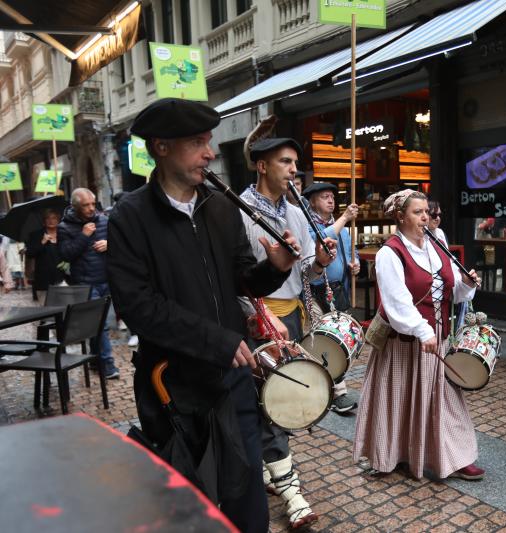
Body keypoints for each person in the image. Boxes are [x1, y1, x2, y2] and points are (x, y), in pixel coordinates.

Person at [106, 98, 299, 533]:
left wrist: (275, 267)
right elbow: (140, 309)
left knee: (247, 503)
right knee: (189, 508)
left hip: (232, 385)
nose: (210, 153)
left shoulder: (219, 207)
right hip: (173, 388)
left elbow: (241, 281)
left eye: (209, 142)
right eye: (197, 143)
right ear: (161, 147)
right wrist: (219, 341)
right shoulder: (129, 218)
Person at [238, 135, 338, 529]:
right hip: (257, 320)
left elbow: (307, 269)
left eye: (295, 162)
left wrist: (321, 262)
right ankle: (293, 493)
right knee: (273, 404)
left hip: (291, 318)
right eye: (284, 162)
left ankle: (271, 468)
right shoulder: (241, 212)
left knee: (281, 400)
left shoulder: (296, 213)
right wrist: (259, 313)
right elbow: (237, 277)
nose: (294, 169)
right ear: (261, 166)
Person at [353, 189, 484, 481]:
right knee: (399, 399)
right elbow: (395, 300)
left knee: (447, 398)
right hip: (405, 340)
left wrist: (466, 283)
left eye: (427, 211)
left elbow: (455, 292)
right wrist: (422, 330)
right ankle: (391, 455)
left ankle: (457, 457)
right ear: (400, 216)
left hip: (438, 335)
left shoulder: (438, 243)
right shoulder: (390, 252)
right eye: (417, 212)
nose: (425, 216)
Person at [302, 182, 361, 412]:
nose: (330, 200)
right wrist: (345, 217)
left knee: (338, 338)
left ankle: (322, 381)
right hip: (314, 291)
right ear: (313, 201)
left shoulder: (343, 230)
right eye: (324, 197)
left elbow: (351, 253)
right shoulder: (308, 225)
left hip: (337, 290)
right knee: (326, 338)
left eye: (332, 196)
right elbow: (322, 238)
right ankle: (339, 392)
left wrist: (355, 265)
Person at [58, 188, 119, 379]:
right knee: (101, 326)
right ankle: (107, 366)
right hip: (85, 283)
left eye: (93, 203)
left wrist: (110, 244)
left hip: (106, 280)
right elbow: (66, 254)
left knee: (97, 325)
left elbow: (121, 243)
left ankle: (95, 360)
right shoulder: (64, 227)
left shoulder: (104, 220)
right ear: (75, 206)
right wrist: (83, 236)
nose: (91, 208)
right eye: (86, 205)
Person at [25, 209, 65, 301]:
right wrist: (42, 242)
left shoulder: (63, 234)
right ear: (44, 221)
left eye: (54, 218)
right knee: (46, 310)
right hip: (43, 281)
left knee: (64, 309)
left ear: (58, 220)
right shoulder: (36, 235)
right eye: (48, 218)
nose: (51, 220)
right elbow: (30, 253)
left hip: (62, 278)